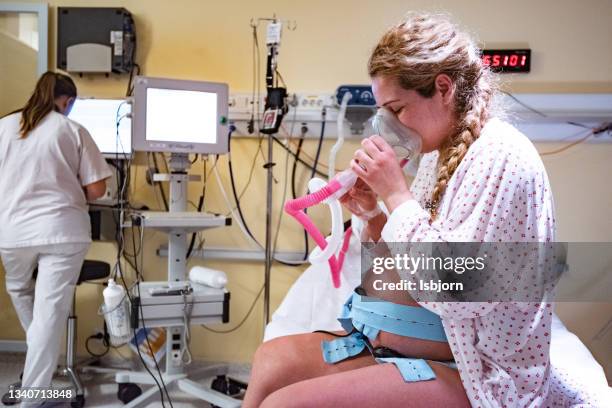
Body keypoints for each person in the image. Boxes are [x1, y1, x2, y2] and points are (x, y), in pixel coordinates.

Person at [242, 13, 590, 407]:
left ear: (443, 88)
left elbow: (455, 289)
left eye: (398, 109)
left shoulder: (501, 157)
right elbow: (406, 269)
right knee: (270, 362)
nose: (389, 126)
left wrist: (395, 194)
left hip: (481, 373)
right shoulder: (437, 156)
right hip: (423, 347)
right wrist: (373, 214)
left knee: (284, 404)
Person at [0, 71, 112, 405]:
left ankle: (37, 378)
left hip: (13, 232)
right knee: (48, 315)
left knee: (21, 292)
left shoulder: (4, 127)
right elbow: (97, 189)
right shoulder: (72, 129)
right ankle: (34, 398)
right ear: (67, 101)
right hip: (62, 231)